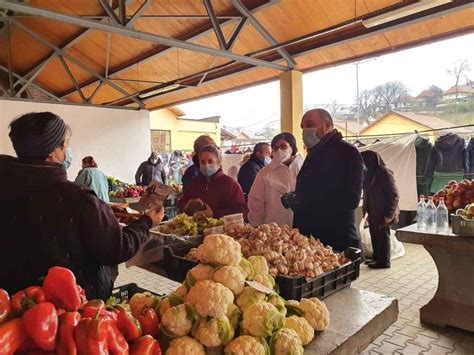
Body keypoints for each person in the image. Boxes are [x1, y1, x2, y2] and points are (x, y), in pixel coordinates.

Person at [0, 112, 164, 300]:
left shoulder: (6, 186)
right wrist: (146, 222)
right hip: (69, 308)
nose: (67, 151)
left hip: (11, 303)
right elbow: (116, 248)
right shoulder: (78, 198)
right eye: (65, 144)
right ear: (52, 150)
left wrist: (102, 214)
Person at [284, 109, 364, 252]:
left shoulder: (348, 153)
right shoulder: (313, 153)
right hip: (310, 241)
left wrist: (305, 200)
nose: (305, 131)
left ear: (327, 125)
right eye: (303, 127)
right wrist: (294, 198)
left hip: (335, 242)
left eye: (310, 124)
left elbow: (351, 199)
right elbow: (314, 188)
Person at [248, 133, 303, 226]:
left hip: (303, 226)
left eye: (283, 146)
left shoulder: (304, 168)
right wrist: (256, 225)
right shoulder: (265, 173)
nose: (279, 150)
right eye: (276, 148)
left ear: (292, 147)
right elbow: (256, 202)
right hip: (274, 228)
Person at [178, 145, 248, 219]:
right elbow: (182, 204)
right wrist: (189, 206)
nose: (206, 165)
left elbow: (242, 212)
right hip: (197, 228)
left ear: (218, 162)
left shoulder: (231, 185)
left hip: (222, 228)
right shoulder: (194, 183)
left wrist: (214, 214)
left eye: (210, 161)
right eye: (203, 162)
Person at [361, 150, 399, 269]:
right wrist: (367, 211)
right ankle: (376, 258)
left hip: (383, 211)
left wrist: (389, 215)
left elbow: (394, 195)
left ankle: (384, 262)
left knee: (383, 236)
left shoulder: (385, 173)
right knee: (374, 235)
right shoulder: (369, 172)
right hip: (373, 210)